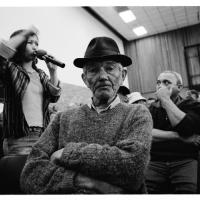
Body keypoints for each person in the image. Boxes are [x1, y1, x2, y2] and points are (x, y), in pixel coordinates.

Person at [20, 36, 152, 194]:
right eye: (94, 70)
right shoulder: (63, 119)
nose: (102, 76)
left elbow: (133, 169)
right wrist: (85, 181)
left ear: (123, 75)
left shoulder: (137, 113)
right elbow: (30, 174)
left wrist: (66, 153)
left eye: (109, 68)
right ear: (85, 79)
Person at [0, 26, 61, 193]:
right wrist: (23, 34)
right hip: (20, 136)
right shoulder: (11, 69)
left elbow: (54, 96)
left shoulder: (40, 73)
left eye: (37, 43)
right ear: (20, 45)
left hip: (43, 136)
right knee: (20, 182)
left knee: (40, 184)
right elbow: (1, 53)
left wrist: (53, 71)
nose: (35, 46)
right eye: (30, 42)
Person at [145, 70, 200, 194]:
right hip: (156, 160)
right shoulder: (152, 108)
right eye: (158, 82)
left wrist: (165, 100)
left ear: (179, 87)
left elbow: (186, 128)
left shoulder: (191, 105)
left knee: (189, 190)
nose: (160, 85)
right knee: (144, 190)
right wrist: (178, 137)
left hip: (184, 160)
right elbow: (146, 133)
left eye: (166, 82)